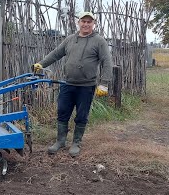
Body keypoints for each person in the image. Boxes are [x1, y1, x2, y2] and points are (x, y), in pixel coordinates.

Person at [32, 11, 113, 157]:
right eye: (83, 21)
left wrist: (104, 83)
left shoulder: (99, 41)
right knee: (63, 112)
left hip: (86, 86)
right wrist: (41, 64)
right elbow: (56, 53)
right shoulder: (70, 39)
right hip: (67, 83)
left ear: (93, 24)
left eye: (89, 22)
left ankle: (76, 143)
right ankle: (60, 141)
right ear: (78, 22)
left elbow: (107, 62)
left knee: (82, 115)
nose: (86, 24)